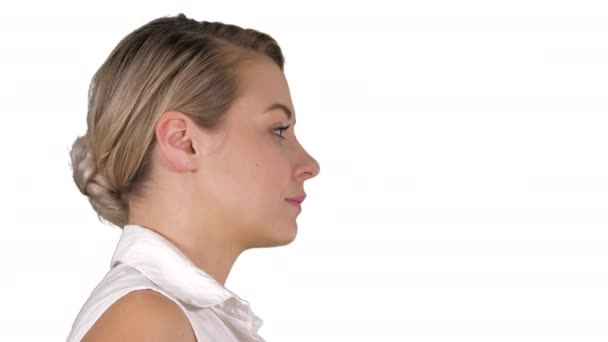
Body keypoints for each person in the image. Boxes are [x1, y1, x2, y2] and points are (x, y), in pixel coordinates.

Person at [66, 13, 320, 342]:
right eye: (278, 130)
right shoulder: (146, 321)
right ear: (182, 142)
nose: (309, 164)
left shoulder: (181, 316)